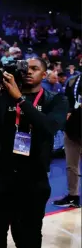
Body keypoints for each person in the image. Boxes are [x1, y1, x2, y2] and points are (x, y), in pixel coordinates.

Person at [0, 57, 68, 248]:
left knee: (30, 236)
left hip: (34, 179)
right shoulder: (3, 97)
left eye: (35, 68)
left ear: (44, 75)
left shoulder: (55, 99)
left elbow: (48, 128)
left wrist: (20, 100)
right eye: (25, 67)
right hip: (1, 177)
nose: (28, 71)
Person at [53, 74, 82, 208]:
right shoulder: (72, 80)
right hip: (72, 129)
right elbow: (68, 101)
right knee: (71, 165)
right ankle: (73, 196)